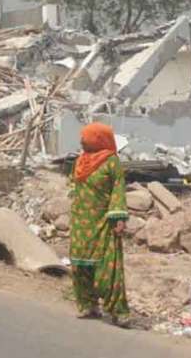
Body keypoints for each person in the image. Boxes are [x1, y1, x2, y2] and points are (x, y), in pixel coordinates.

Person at [69, 122, 130, 327]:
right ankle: (87, 305)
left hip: (104, 222)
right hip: (80, 222)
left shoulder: (112, 162)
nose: (81, 141)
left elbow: (118, 190)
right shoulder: (81, 160)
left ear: (99, 139)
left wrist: (119, 218)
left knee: (108, 268)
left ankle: (118, 311)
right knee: (80, 265)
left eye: (86, 138)